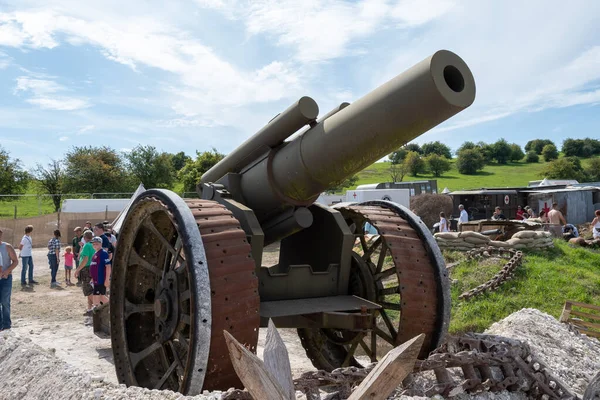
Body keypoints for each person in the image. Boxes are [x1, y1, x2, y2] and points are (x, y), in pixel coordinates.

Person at [0, 228, 19, 331]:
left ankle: (6, 325)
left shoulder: (7, 247)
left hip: (6, 279)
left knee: (5, 301)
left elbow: (15, 261)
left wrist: (7, 271)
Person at [75, 230, 95, 314]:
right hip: (92, 268)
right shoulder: (93, 245)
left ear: (84, 237)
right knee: (89, 289)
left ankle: (97, 306)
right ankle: (90, 309)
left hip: (86, 269)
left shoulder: (87, 245)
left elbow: (85, 259)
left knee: (88, 290)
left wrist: (78, 269)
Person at [89, 236, 111, 307]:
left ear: (101, 244)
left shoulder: (103, 253)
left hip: (100, 279)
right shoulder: (95, 253)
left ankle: (97, 309)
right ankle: (110, 307)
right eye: (93, 244)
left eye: (97, 244)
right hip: (96, 280)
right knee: (100, 296)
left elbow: (108, 266)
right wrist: (92, 278)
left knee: (97, 296)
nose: (95, 245)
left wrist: (107, 279)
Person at [93, 223, 114, 289]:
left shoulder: (104, 238)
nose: (95, 231)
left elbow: (104, 251)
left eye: (96, 229)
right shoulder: (99, 238)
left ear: (101, 229)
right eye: (94, 229)